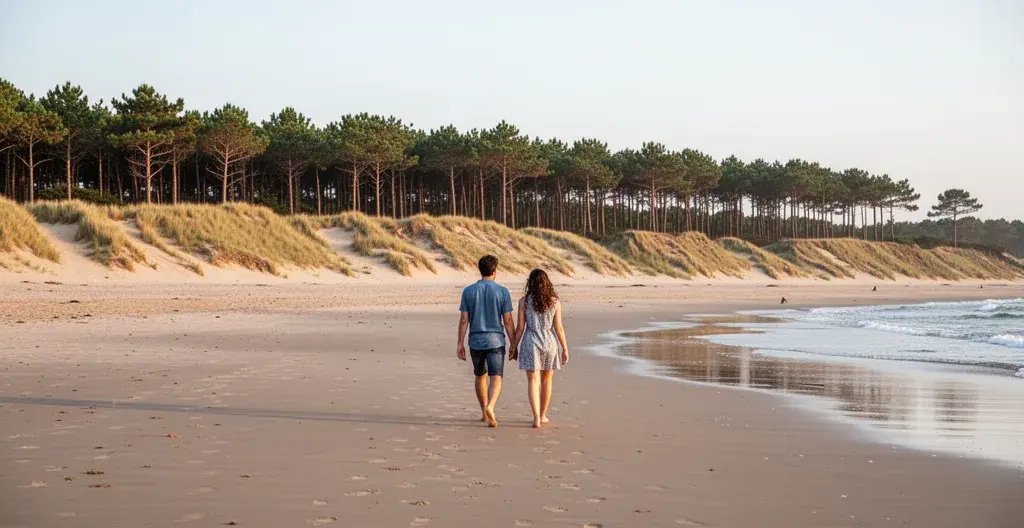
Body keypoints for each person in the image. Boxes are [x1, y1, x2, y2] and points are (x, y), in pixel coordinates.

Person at [457, 255, 517, 428]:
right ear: (495, 271)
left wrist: (460, 343)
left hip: (475, 340)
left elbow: (463, 320)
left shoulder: (468, 291)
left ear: (480, 270)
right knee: (496, 376)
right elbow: (508, 320)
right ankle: (491, 406)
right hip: (496, 340)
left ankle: (484, 411)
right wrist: (513, 342)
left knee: (480, 376)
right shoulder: (502, 291)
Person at [511, 269, 570, 429]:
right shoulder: (555, 302)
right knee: (547, 380)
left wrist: (513, 346)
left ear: (530, 283)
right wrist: (565, 349)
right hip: (549, 342)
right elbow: (559, 328)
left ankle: (536, 417)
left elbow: (520, 328)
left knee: (533, 381)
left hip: (531, 341)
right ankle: (543, 415)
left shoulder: (524, 302)